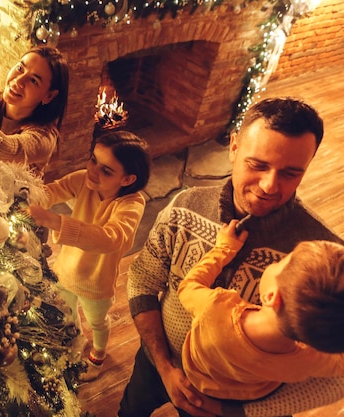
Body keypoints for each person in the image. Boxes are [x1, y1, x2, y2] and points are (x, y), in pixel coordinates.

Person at [118, 97, 344, 417]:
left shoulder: (324, 258)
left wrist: (241, 411)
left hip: (232, 405)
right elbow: (143, 278)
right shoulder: (184, 207)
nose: (269, 186)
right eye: (258, 165)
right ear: (234, 146)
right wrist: (164, 365)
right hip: (156, 363)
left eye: (291, 173)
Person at [27, 130, 151, 381]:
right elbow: (52, 191)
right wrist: (24, 195)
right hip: (65, 271)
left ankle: (98, 354)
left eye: (106, 170)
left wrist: (54, 220)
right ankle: (74, 342)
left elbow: (111, 239)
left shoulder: (131, 205)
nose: (92, 170)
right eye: (93, 159)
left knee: (97, 322)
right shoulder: (84, 180)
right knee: (67, 314)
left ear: (127, 179)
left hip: (96, 282)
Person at [178, 220, 344, 401]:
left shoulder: (215, 308)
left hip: (198, 372)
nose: (273, 264)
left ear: (271, 296)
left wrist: (224, 248)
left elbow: (188, 286)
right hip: (250, 392)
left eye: (280, 263)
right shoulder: (308, 361)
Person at [0, 46, 69, 175]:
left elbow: (11, 148)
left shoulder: (44, 138)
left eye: (33, 81)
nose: (18, 80)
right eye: (20, 68)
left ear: (48, 96)